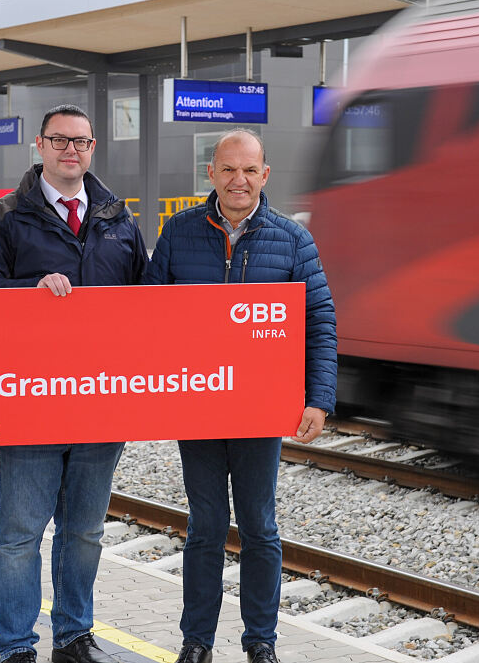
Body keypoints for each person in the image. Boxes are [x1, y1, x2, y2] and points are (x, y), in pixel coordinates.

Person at [145, 129, 337, 663]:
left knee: (260, 527)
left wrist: (318, 398)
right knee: (204, 528)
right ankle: (197, 642)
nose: (239, 180)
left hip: (259, 411)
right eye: (229, 169)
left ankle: (261, 642)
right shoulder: (179, 233)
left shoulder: (292, 240)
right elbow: (149, 318)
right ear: (211, 174)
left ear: (265, 176)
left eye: (250, 170)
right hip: (199, 408)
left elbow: (318, 321)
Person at [0, 104, 147, 663]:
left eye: (82, 142)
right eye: (61, 141)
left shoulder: (119, 218)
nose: (72, 151)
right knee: (20, 532)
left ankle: (73, 637)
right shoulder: (5, 217)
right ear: (39, 147)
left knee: (84, 532)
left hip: (100, 400)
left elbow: (147, 298)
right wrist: (30, 288)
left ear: (93, 149)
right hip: (31, 400)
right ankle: (17, 646)